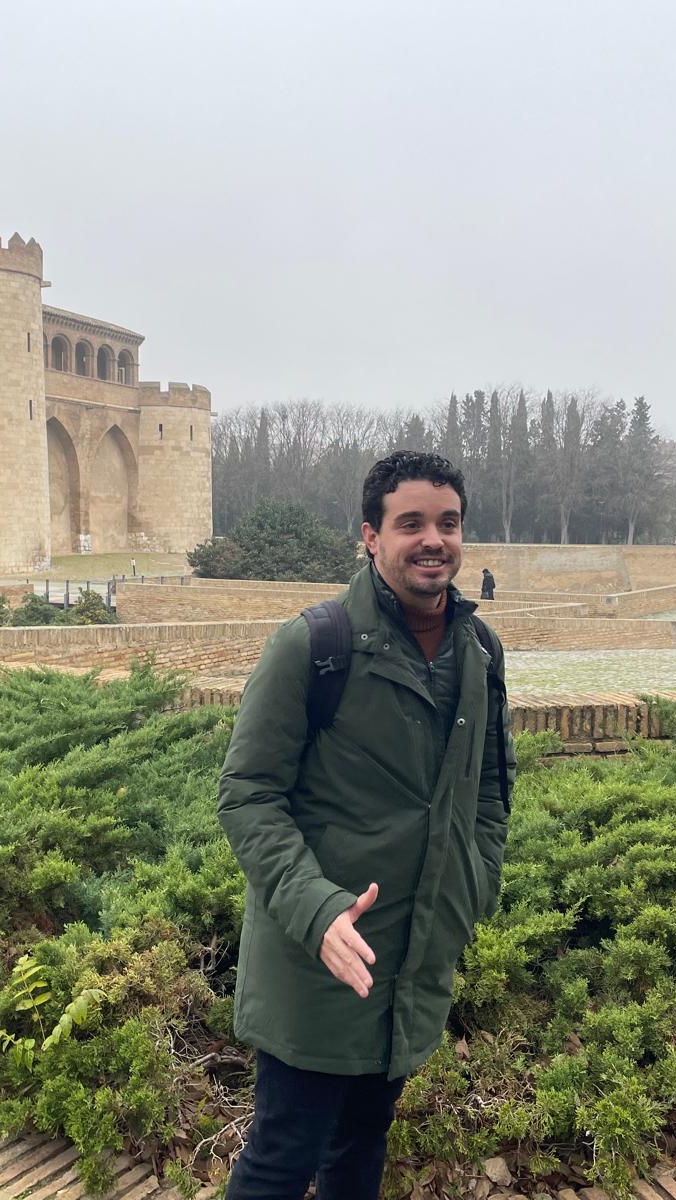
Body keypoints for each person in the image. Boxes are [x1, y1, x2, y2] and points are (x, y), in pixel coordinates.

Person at [217, 451, 515, 1200]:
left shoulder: (479, 652)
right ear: (370, 536)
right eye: (409, 522)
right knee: (283, 1157)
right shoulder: (314, 647)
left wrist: (471, 888)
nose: (432, 540)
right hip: (314, 962)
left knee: (360, 1150)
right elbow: (247, 795)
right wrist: (317, 910)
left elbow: (490, 791)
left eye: (447, 523)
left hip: (413, 958)